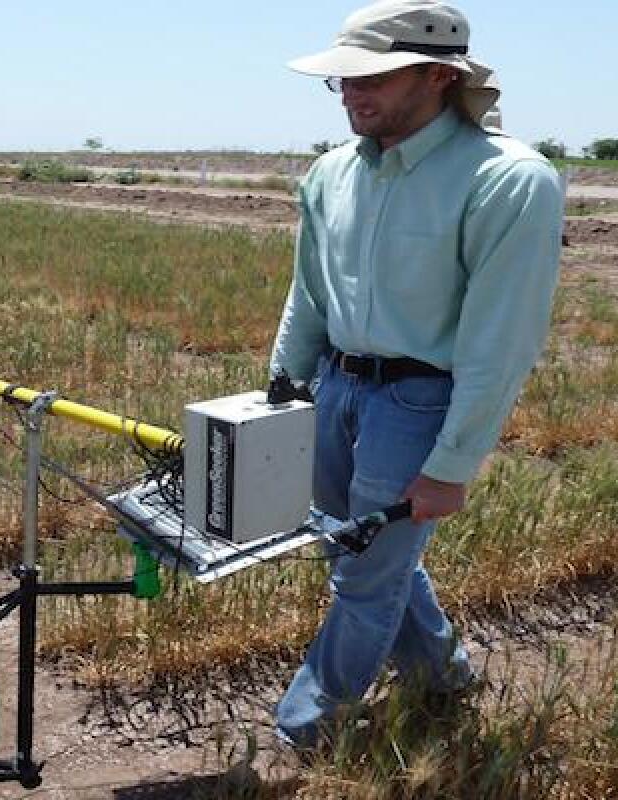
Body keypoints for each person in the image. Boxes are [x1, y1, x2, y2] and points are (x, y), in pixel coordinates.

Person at [268, 0, 563, 749]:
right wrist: (284, 385)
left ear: (438, 76)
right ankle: (443, 672)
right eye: (340, 81)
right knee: (353, 544)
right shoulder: (332, 172)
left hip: (419, 401)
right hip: (336, 387)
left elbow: (502, 340)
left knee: (364, 575)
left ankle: (307, 729)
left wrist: (452, 465)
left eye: (371, 77)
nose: (351, 94)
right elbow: (310, 288)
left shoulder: (508, 180)